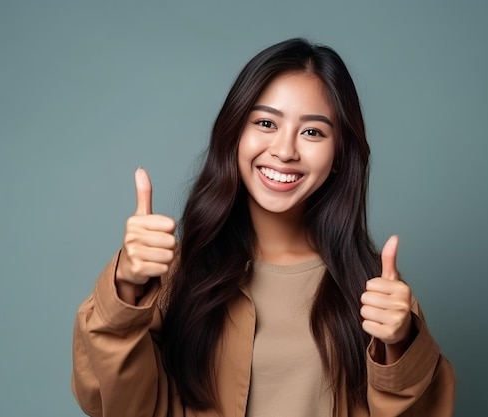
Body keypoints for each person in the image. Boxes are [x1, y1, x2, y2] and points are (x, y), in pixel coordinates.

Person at [71, 38, 455, 417]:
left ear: (339, 155)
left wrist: (400, 345)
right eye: (266, 123)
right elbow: (110, 404)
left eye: (313, 132)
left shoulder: (372, 286)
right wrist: (126, 287)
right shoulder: (176, 273)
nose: (285, 150)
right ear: (235, 133)